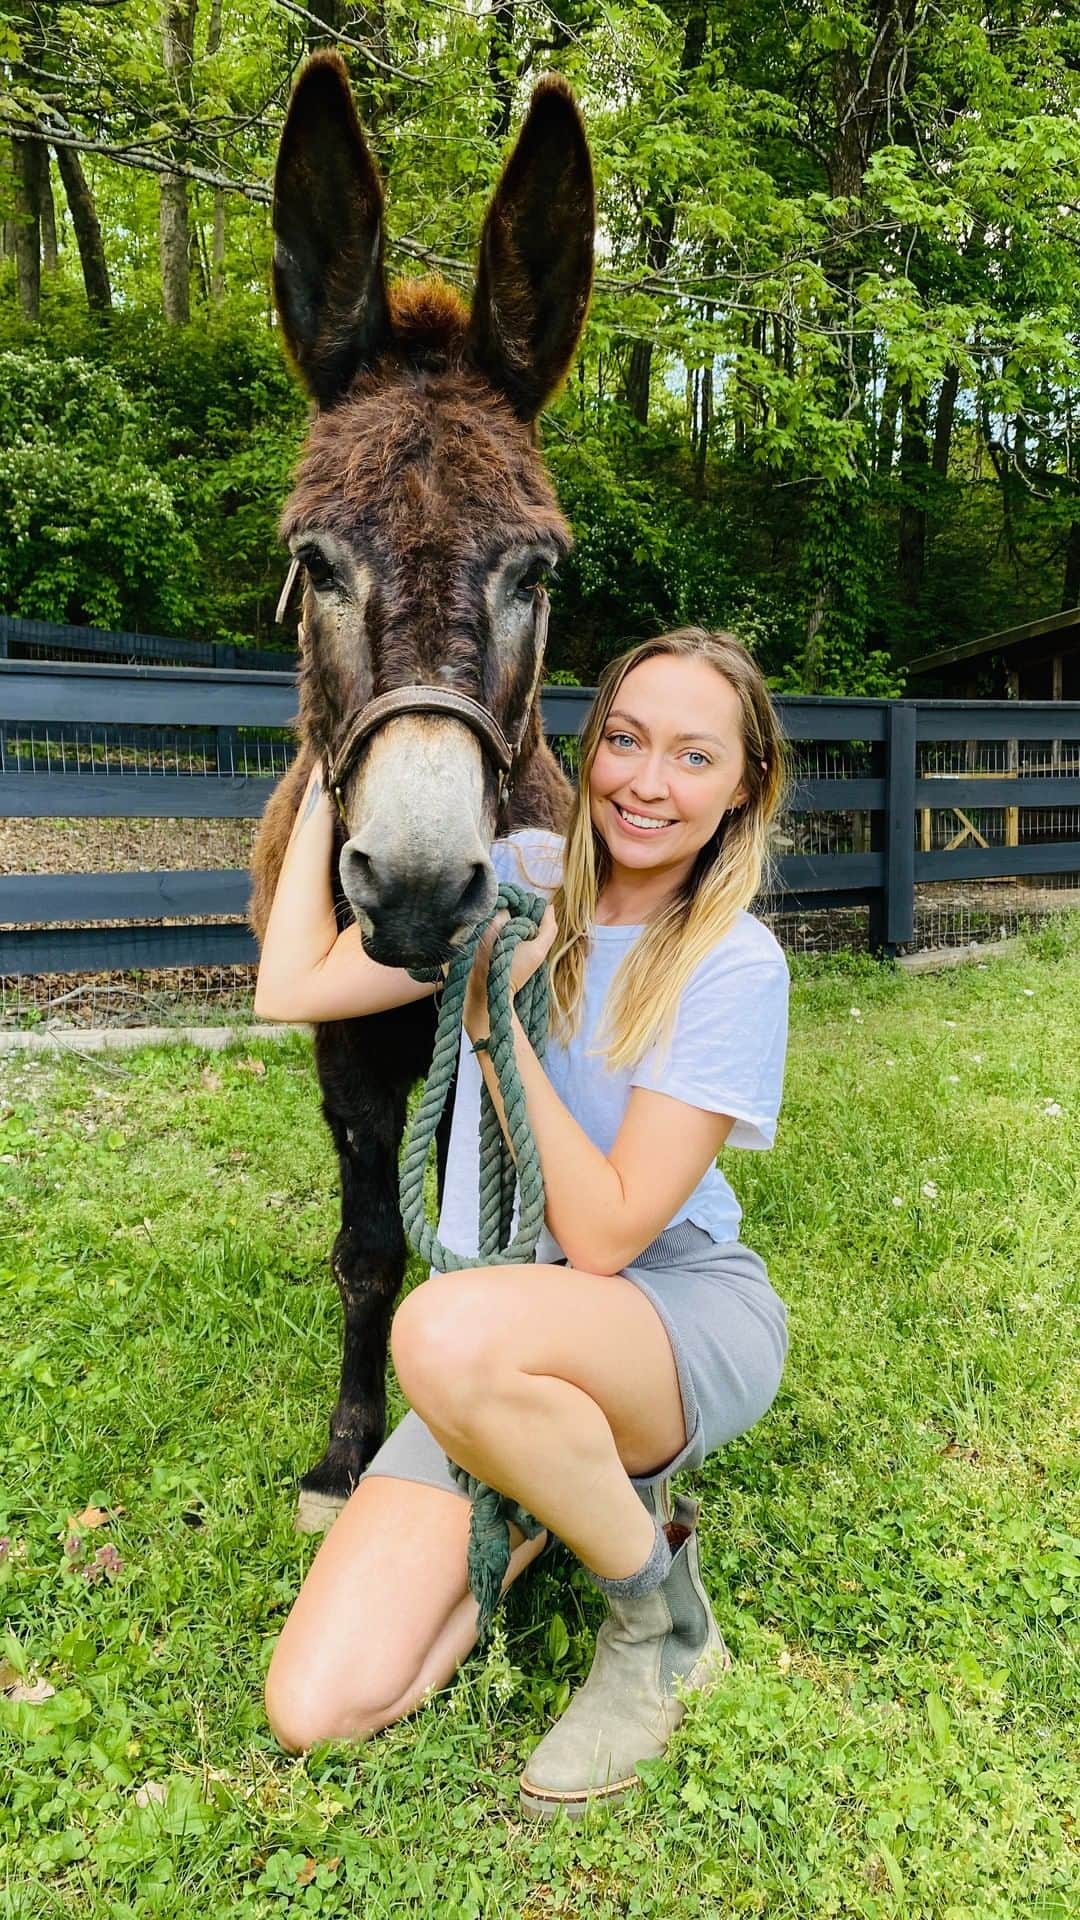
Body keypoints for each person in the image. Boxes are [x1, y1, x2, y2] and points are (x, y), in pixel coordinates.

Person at [256, 627, 790, 1820]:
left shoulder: (733, 964)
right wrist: (321, 772)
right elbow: (287, 987)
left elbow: (602, 1239)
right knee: (319, 1703)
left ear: (745, 784)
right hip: (502, 1325)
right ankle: (554, 1480)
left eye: (694, 757)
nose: (648, 783)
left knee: (441, 1333)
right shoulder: (517, 873)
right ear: (584, 747)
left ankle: (657, 1617)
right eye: (627, 740)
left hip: (666, 1308)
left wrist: (496, 1020)